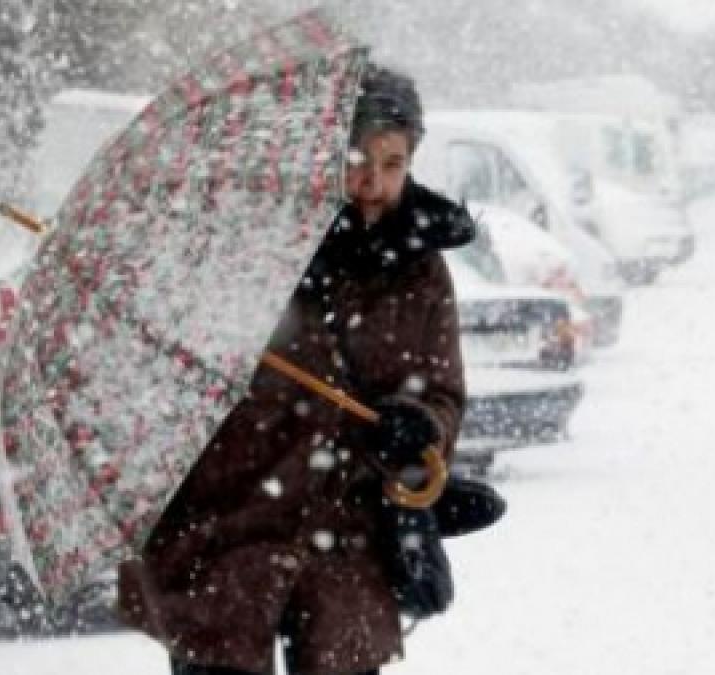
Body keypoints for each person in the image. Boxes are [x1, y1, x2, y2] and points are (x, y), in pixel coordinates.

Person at [117, 64, 476, 675]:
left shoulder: (419, 265)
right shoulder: (246, 239)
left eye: (392, 165)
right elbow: (177, 375)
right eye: (357, 162)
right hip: (230, 524)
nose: (373, 185)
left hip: (349, 536)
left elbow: (441, 391)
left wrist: (418, 428)